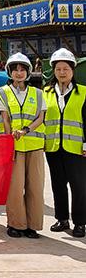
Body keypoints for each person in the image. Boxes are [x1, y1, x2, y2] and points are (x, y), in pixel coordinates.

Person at [0, 52, 46, 239]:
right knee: (15, 188)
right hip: (14, 146)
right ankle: (15, 224)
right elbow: (5, 118)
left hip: (34, 145)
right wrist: (10, 137)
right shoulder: (3, 92)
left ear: (28, 72)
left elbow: (40, 118)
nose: (19, 73)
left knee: (35, 187)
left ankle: (33, 225)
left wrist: (25, 130)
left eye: (22, 69)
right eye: (15, 69)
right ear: (9, 72)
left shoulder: (38, 93)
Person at [43, 48, 86, 238]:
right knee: (58, 185)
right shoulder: (45, 92)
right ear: (53, 70)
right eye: (58, 69)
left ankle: (80, 222)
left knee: (79, 186)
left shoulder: (83, 92)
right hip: (53, 147)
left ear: (72, 70)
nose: (62, 72)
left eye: (65, 69)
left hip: (77, 148)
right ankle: (62, 219)